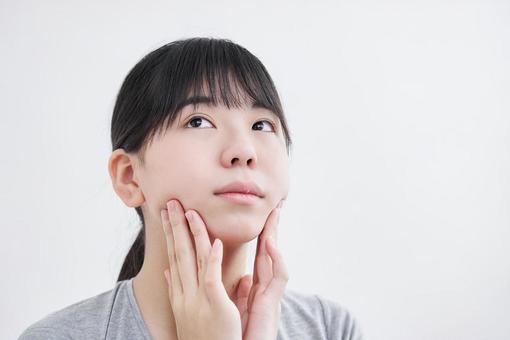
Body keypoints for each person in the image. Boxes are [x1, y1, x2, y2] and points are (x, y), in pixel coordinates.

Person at [18, 37, 364, 340]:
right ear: (129, 177)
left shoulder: (330, 328)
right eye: (198, 121)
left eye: (262, 124)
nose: (244, 151)